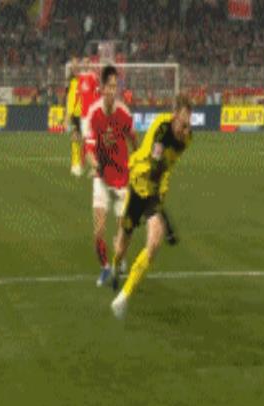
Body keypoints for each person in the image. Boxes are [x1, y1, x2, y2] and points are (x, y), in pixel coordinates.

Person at [110, 95, 193, 319]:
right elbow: (155, 166)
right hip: (138, 183)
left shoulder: (186, 139)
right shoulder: (161, 128)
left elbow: (166, 169)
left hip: (155, 190)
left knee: (155, 240)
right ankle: (116, 265)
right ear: (174, 117)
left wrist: (161, 208)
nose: (186, 130)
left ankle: (124, 296)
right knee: (122, 245)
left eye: (189, 125)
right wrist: (165, 217)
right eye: (183, 125)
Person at [85, 65, 137, 287]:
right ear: (102, 88)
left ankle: (120, 258)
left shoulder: (124, 113)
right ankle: (105, 267)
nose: (113, 91)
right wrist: (95, 164)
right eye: (109, 86)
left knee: (123, 231)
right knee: (98, 230)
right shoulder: (94, 113)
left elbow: (134, 141)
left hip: (122, 178)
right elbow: (89, 149)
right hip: (101, 177)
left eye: (116, 87)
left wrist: (138, 165)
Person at [78, 58, 100, 175]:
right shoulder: (80, 77)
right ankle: (82, 165)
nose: (85, 64)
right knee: (83, 140)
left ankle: (95, 167)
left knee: (91, 141)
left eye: (87, 62)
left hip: (91, 115)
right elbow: (79, 96)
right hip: (83, 114)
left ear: (89, 64)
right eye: (84, 62)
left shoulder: (93, 77)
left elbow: (97, 95)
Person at [64, 57, 83, 176]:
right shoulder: (71, 82)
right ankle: (75, 164)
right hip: (76, 115)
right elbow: (70, 100)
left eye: (76, 65)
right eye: (73, 65)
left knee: (90, 140)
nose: (75, 67)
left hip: (86, 114)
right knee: (75, 137)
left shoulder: (85, 79)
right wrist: (68, 114)